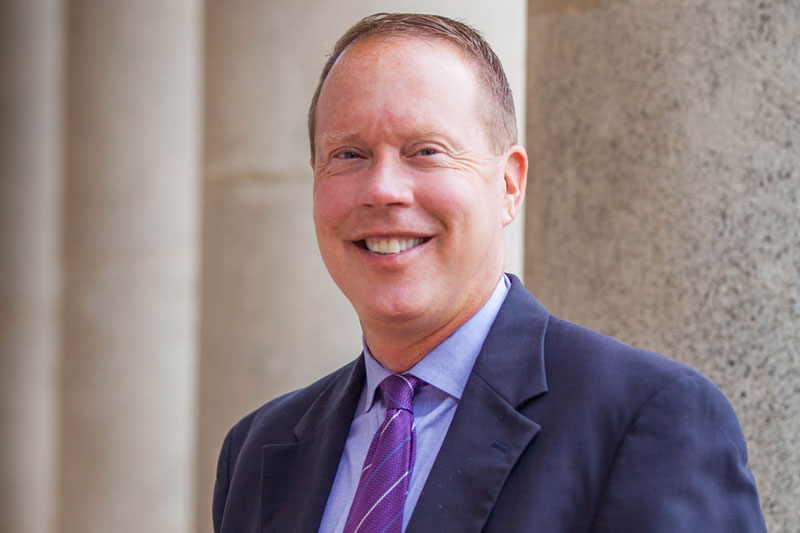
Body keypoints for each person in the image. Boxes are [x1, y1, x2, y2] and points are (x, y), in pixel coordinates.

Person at [212, 13, 765, 532]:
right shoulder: (259, 450)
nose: (383, 189)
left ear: (509, 185)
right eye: (349, 155)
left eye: (425, 151)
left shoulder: (649, 420)